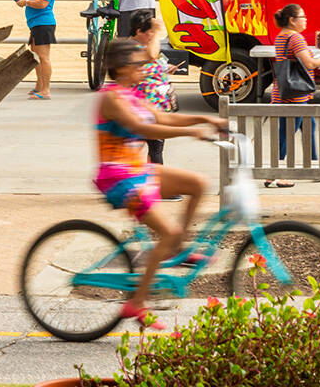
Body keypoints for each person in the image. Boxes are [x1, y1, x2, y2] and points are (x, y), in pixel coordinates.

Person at [95, 38, 228, 327]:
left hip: (138, 170)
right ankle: (136, 303)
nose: (143, 69)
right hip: (119, 178)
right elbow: (142, 127)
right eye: (137, 64)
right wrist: (191, 133)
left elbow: (163, 117)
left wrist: (207, 120)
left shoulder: (131, 95)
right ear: (120, 68)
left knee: (197, 184)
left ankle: (178, 249)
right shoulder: (111, 98)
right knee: (166, 233)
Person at [267, 4, 320, 187]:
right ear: (292, 20)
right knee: (286, 134)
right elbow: (308, 64)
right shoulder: (296, 38)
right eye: (302, 16)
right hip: (294, 96)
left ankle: (315, 167)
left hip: (287, 92)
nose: (305, 20)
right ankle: (274, 174)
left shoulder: (282, 36)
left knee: (309, 127)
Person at [129, 10, 178, 164]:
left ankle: (154, 181)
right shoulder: (129, 47)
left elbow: (152, 60)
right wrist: (157, 32)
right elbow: (151, 55)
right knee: (136, 148)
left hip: (156, 108)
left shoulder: (144, 47)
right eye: (149, 33)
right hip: (140, 109)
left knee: (155, 148)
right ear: (139, 31)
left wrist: (164, 67)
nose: (151, 37)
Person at [16, 0, 56, 99]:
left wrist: (26, 2)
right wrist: (24, 1)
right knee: (37, 56)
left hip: (43, 23)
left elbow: (43, 3)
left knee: (43, 57)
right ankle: (39, 86)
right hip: (36, 24)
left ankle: (45, 90)